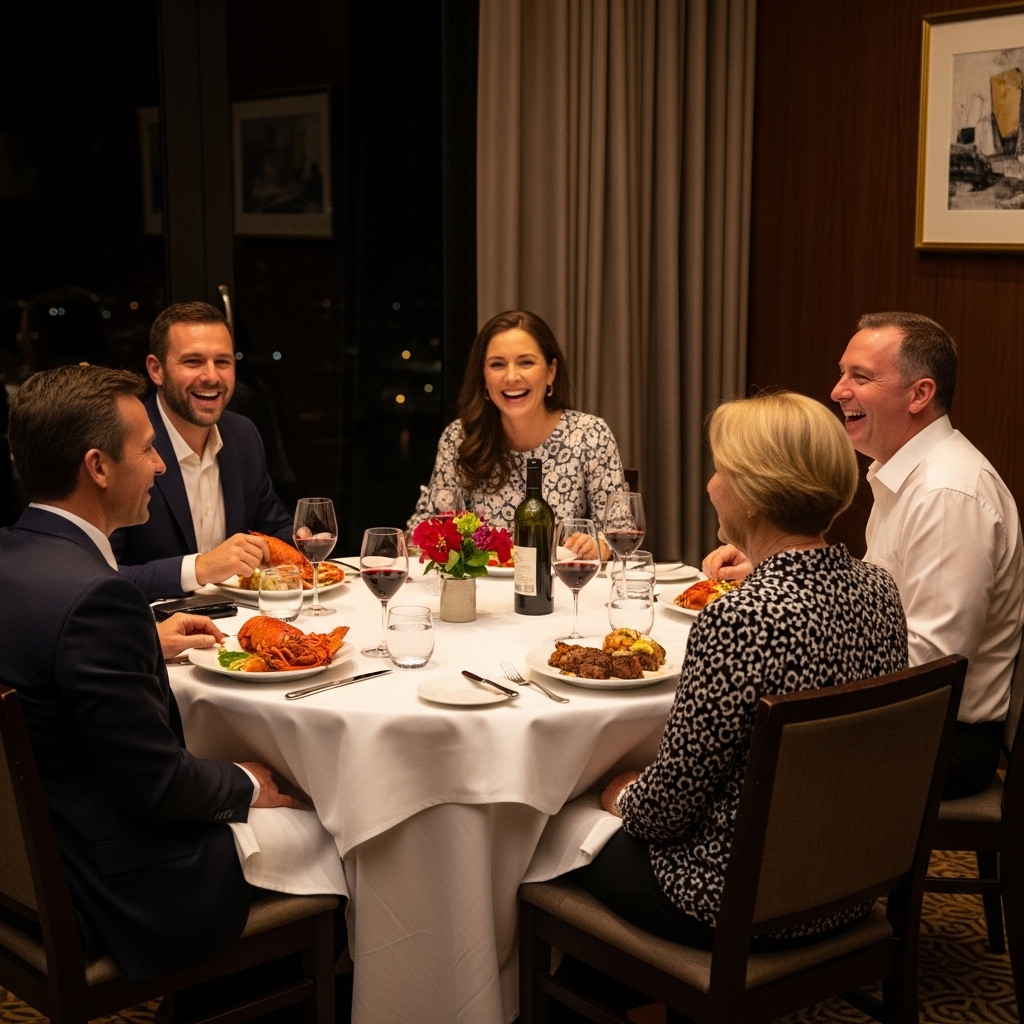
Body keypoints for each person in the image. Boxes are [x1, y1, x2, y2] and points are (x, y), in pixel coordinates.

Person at [0, 365, 300, 982]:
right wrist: (247, 780)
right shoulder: (96, 599)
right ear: (98, 467)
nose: (162, 466)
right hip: (118, 887)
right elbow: (159, 788)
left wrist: (141, 642)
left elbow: (50, 670)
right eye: (146, 450)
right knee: (339, 830)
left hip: (29, 862)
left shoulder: (15, 558)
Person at [585, 392, 907, 948]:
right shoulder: (879, 588)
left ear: (755, 495)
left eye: (720, 470)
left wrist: (618, 793)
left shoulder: (739, 618)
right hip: (847, 888)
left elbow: (664, 813)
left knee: (550, 837)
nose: (712, 485)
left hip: (735, 900)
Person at [704, 313, 1023, 799]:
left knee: (727, 757)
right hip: (900, 719)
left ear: (920, 394)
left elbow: (929, 667)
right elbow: (880, 597)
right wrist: (777, 572)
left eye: (861, 376)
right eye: (842, 373)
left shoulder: (947, 493)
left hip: (937, 739)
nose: (837, 391)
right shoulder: (902, 473)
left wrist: (801, 648)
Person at [110, 301, 295, 600]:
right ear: (156, 370)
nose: (211, 376)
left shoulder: (243, 435)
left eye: (222, 362)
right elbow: (101, 576)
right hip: (155, 625)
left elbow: (274, 530)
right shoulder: (123, 443)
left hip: (240, 620)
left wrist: (305, 541)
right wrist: (201, 568)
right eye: (193, 362)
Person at [408, 310, 627, 533]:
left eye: (526, 362)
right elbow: (426, 531)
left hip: (562, 559)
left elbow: (619, 531)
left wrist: (594, 544)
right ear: (483, 377)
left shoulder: (590, 435)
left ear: (551, 372)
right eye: (497, 365)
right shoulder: (460, 437)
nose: (511, 377)